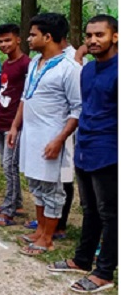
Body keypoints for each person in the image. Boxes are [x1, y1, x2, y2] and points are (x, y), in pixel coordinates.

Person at [47, 15, 117, 293]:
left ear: (115, 36)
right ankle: (82, 259)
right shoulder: (86, 70)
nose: (93, 40)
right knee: (89, 210)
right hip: (85, 148)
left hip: (109, 152)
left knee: (110, 213)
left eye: (100, 35)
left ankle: (104, 272)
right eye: (89, 35)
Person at [7, 13, 81, 256]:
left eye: (33, 34)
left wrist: (60, 139)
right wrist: (16, 126)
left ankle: (48, 238)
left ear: (48, 37)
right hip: (31, 135)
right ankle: (39, 231)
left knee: (53, 189)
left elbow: (77, 109)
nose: (28, 38)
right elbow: (25, 98)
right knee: (36, 185)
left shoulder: (70, 68)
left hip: (52, 138)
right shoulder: (34, 62)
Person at [0, 24, 30, 227]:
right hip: (0, 121)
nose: (4, 45)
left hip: (14, 124)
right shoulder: (7, 64)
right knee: (6, 165)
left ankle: (10, 210)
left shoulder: (25, 64)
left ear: (18, 40)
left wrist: (16, 123)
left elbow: (26, 97)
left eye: (8, 40)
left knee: (10, 166)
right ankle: (15, 202)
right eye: (1, 41)